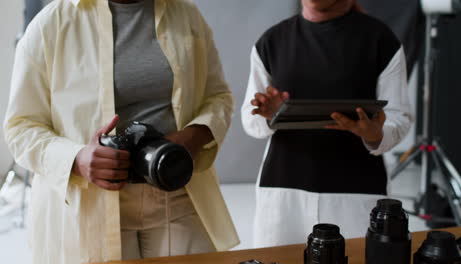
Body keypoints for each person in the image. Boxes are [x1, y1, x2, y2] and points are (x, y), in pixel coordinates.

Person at [3, 0, 239, 263]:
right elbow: (20, 127)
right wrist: (77, 159)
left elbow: (218, 97)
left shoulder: (186, 15)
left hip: (175, 190)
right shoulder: (51, 24)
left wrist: (194, 136)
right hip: (90, 205)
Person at [241, 0, 413, 248]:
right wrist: (268, 115)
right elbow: (250, 119)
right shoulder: (272, 41)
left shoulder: (380, 40)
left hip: (356, 190)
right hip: (283, 191)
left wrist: (376, 134)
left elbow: (399, 116)